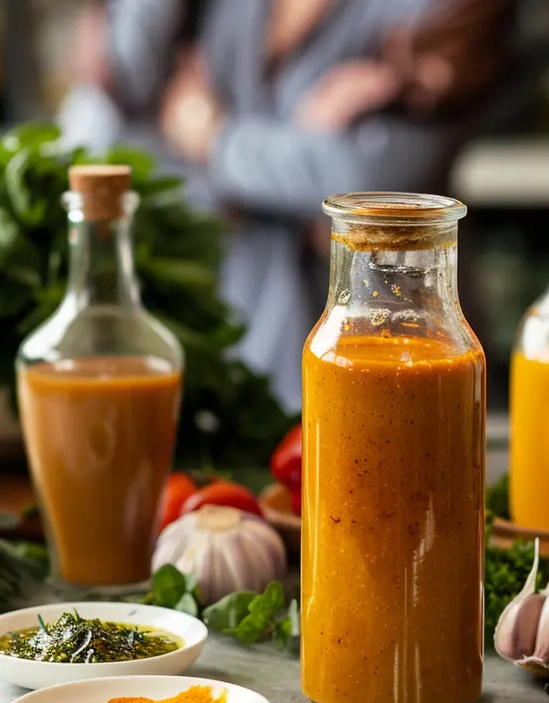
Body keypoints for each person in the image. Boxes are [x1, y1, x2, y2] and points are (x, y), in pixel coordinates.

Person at [60, 0, 513, 411]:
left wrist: (215, 139)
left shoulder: (442, 12)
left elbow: (374, 179)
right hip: (238, 344)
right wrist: (297, 153)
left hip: (393, 352)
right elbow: (123, 116)